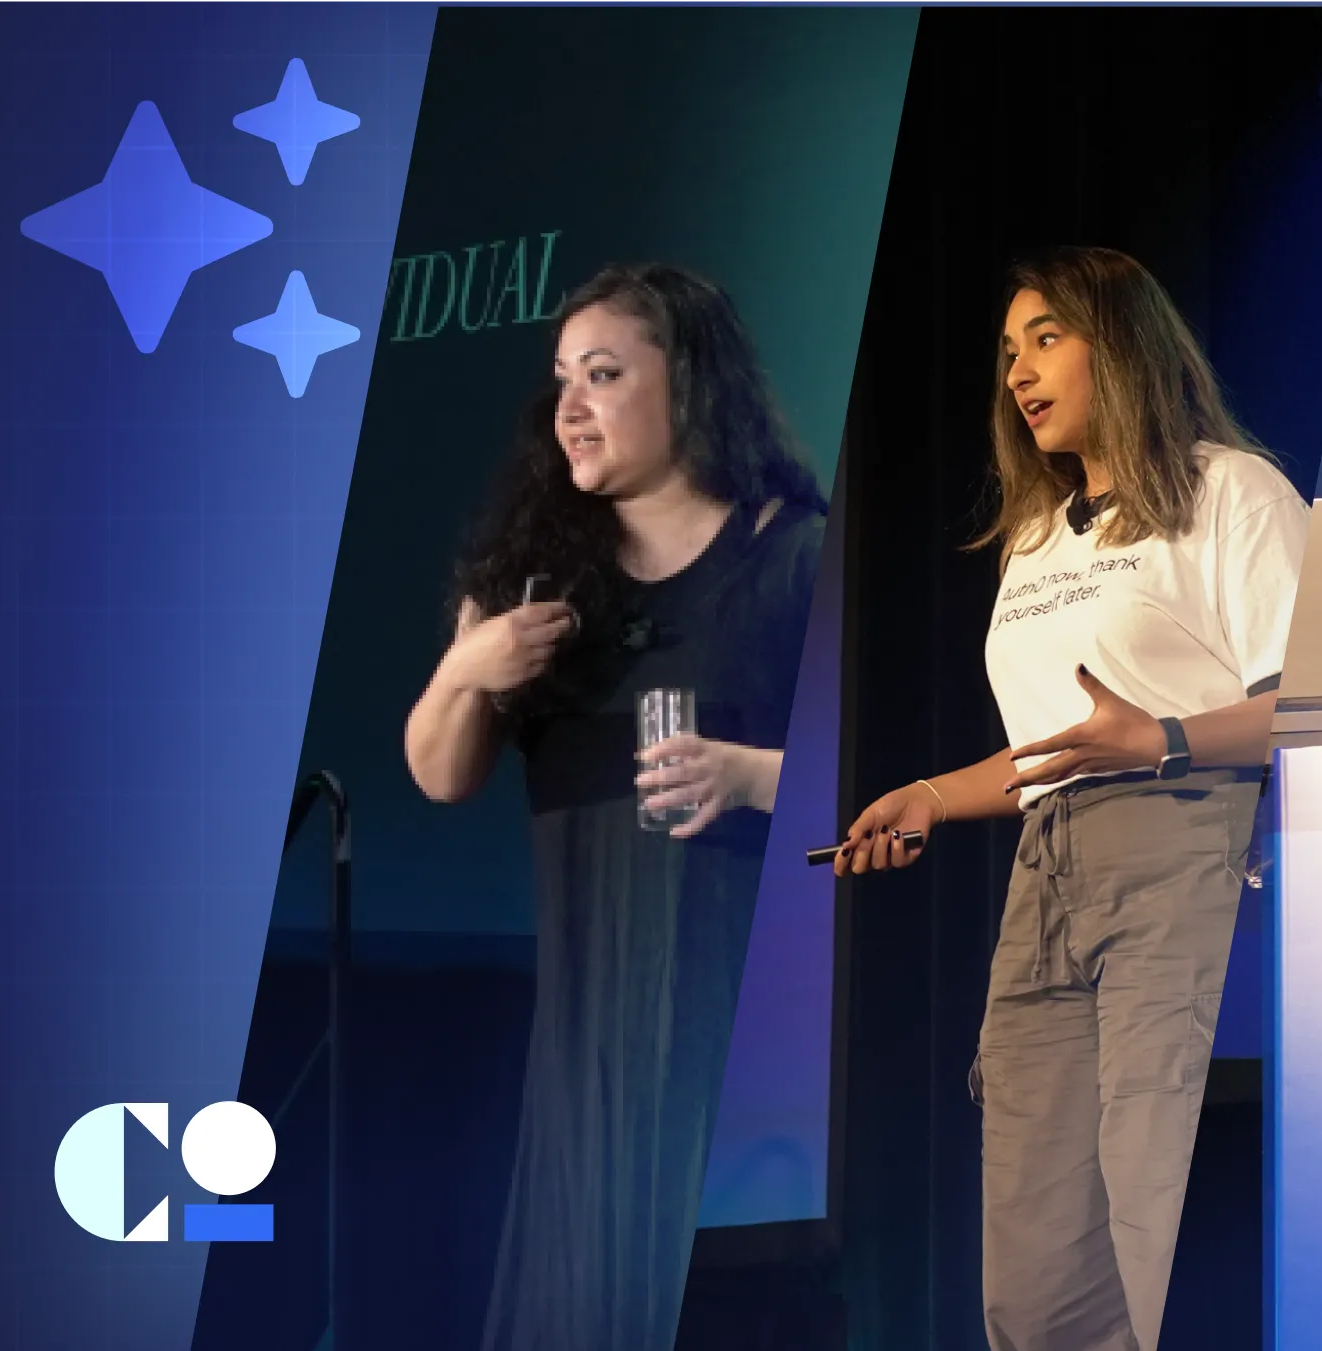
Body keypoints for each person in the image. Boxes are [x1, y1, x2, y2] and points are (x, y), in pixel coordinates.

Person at [833, 246, 1307, 1351]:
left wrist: (1165, 736)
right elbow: (1057, 747)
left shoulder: (1230, 491)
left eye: (1047, 338)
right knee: (1036, 1243)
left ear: (1123, 345)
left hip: (1183, 854)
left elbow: (1310, 705)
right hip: (1046, 877)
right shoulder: (1038, 536)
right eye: (1009, 350)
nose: (1019, 372)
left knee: (1152, 1207)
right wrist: (931, 795)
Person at [402, 263, 826, 1351]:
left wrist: (749, 776)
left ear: (687, 382)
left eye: (603, 374)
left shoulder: (793, 558)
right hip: (584, 1044)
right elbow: (441, 775)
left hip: (736, 1029)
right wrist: (465, 672)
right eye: (562, 380)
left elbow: (883, 784)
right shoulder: (535, 584)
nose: (571, 408)